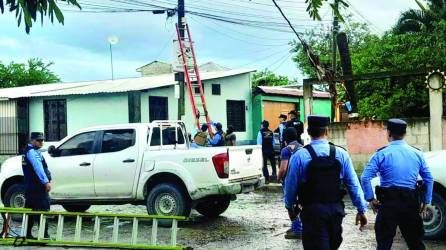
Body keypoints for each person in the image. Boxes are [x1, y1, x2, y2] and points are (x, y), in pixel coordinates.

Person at [285, 115, 368, 249]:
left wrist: (290, 207)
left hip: (312, 212)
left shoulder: (299, 156)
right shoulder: (341, 154)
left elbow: (290, 187)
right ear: (327, 132)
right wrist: (361, 209)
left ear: (308, 132)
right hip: (335, 211)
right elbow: (353, 185)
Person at [361, 118, 433, 250]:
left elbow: (365, 177)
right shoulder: (417, 154)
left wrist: (370, 199)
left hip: (388, 204)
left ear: (388, 133)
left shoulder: (381, 154)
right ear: (405, 134)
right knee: (416, 243)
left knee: (384, 244)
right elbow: (429, 178)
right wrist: (426, 201)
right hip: (410, 203)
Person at [22, 132, 52, 239]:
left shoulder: (29, 151)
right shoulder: (32, 152)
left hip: (30, 188)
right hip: (37, 188)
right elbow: (38, 168)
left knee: (30, 212)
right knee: (42, 210)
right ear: (32, 140)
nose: (41, 142)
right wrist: (46, 182)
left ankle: (28, 235)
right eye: (39, 140)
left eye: (42, 140)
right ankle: (44, 236)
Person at [277, 127, 303, 239]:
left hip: (290, 181)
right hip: (303, 181)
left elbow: (283, 168)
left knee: (290, 204)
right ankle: (298, 226)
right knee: (300, 204)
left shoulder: (286, 149)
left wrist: (278, 178)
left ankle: (297, 229)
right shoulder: (302, 147)